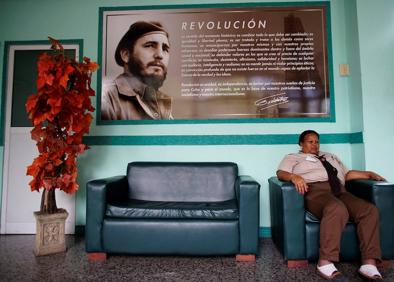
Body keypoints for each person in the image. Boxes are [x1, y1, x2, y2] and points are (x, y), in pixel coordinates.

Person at [277, 130, 385, 281]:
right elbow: (281, 173)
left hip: (340, 191)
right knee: (336, 208)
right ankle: (325, 262)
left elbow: (346, 175)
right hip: (316, 191)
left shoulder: (330, 157)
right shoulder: (293, 157)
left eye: (317, 141)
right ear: (301, 144)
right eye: (310, 141)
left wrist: (369, 174)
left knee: (369, 210)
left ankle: (369, 263)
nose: (315, 144)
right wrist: (294, 177)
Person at [102, 21, 173, 120]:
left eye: (165, 49)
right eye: (150, 45)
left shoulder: (161, 103)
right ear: (126, 55)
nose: (160, 55)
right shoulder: (105, 98)